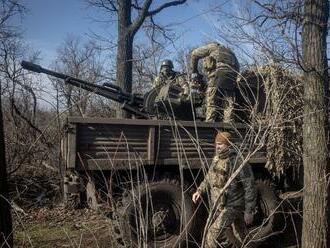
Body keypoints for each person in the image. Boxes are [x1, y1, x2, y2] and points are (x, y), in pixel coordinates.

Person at [192, 131, 256, 248]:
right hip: (221, 206)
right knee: (241, 235)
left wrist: (249, 211)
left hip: (232, 206)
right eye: (216, 144)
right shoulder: (217, 159)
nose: (217, 146)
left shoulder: (238, 162)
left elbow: (250, 187)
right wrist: (199, 191)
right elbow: (209, 178)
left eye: (221, 144)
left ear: (228, 145)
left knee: (211, 234)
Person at [190, 42, 240, 122]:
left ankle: (210, 123)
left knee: (211, 101)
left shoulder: (212, 47)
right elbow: (238, 67)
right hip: (232, 75)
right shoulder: (230, 52)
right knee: (228, 102)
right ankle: (229, 124)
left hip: (218, 74)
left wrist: (194, 71)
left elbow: (194, 54)